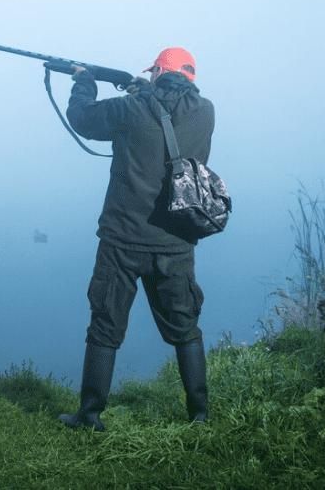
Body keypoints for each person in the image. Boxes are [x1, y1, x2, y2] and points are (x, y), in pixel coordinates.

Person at [58, 47, 214, 431]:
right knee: (185, 330)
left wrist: (83, 81)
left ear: (158, 71)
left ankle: (90, 416)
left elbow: (82, 119)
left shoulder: (131, 110)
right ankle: (199, 415)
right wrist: (140, 88)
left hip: (122, 242)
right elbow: (165, 110)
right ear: (190, 77)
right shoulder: (206, 111)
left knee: (105, 327)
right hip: (176, 242)